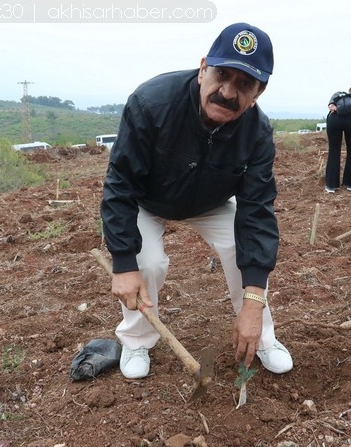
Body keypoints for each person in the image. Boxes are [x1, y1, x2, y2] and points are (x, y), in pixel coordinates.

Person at [100, 22, 293, 380]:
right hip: (148, 200)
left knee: (241, 248)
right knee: (149, 262)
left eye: (244, 85)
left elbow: (257, 210)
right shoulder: (151, 103)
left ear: (258, 93)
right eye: (221, 75)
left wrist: (253, 302)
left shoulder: (257, 133)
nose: (227, 92)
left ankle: (261, 336)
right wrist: (123, 263)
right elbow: (120, 184)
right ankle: (136, 340)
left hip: (210, 202)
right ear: (203, 67)